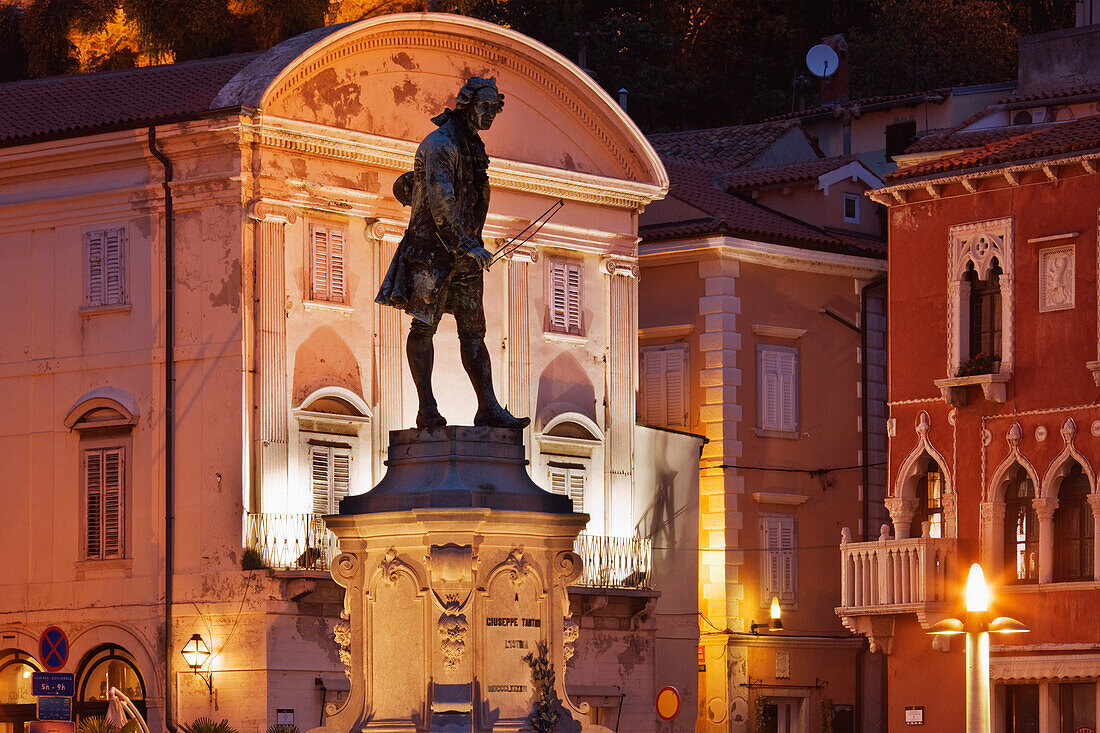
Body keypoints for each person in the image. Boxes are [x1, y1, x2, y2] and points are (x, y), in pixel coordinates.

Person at [376, 77, 530, 430]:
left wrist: (471, 243)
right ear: (467, 105)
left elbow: (471, 200)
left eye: (496, 109)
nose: (491, 114)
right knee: (424, 325)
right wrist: (467, 244)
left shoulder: (472, 146)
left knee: (474, 332)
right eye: (486, 107)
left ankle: (488, 407)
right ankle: (426, 407)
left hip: (464, 251)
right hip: (431, 250)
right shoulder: (440, 145)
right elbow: (441, 200)